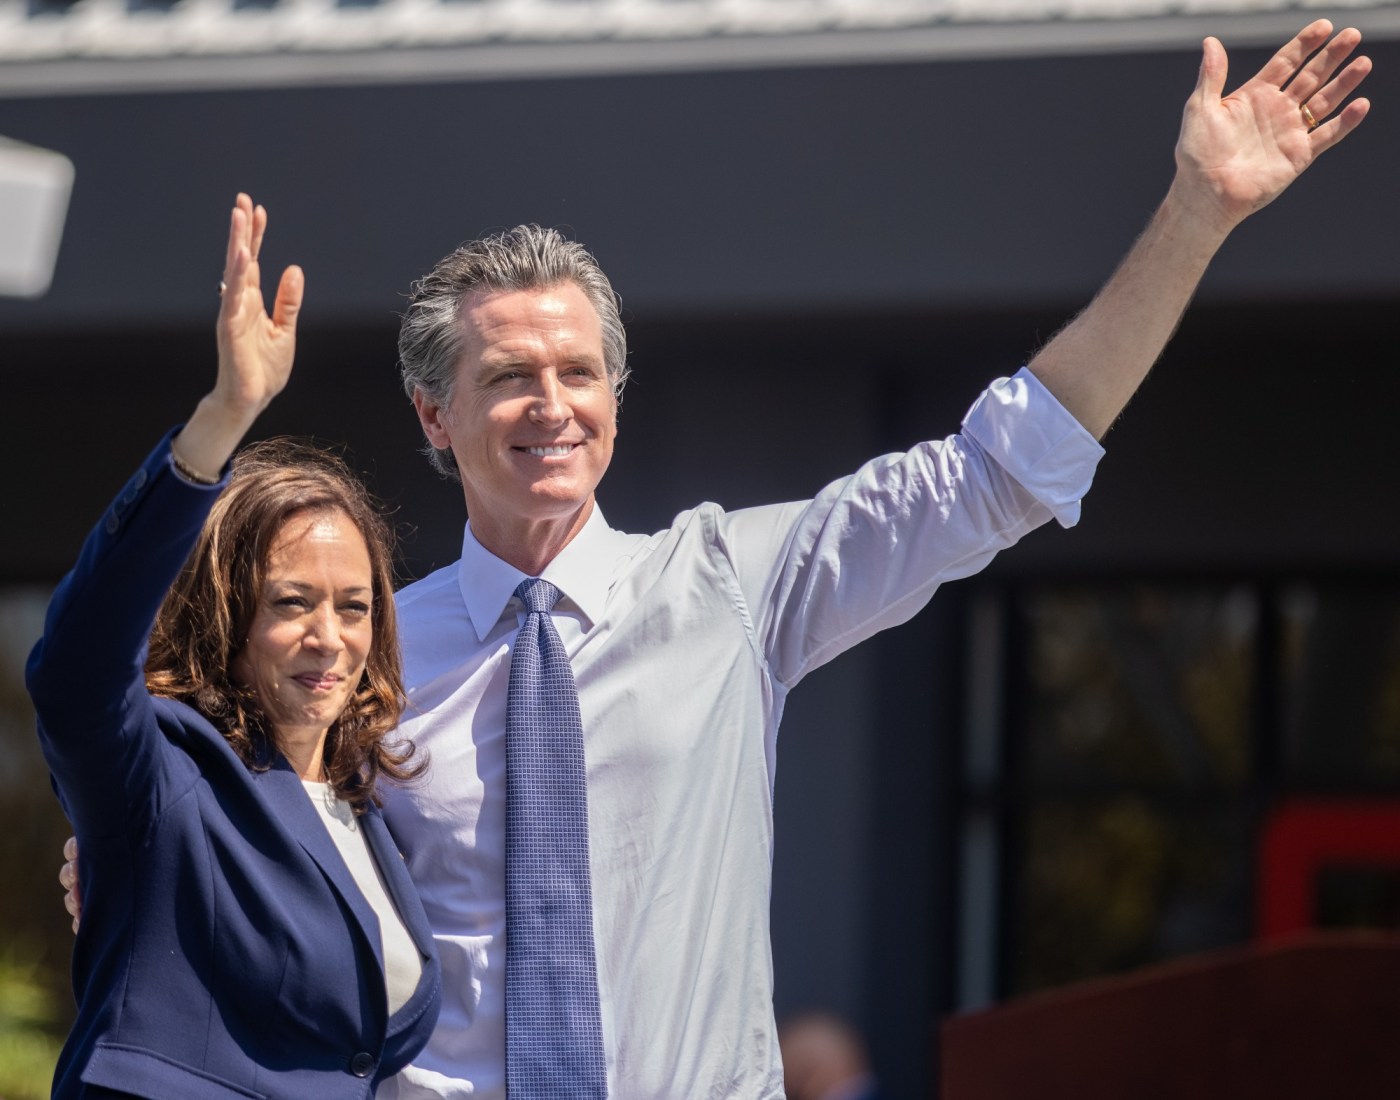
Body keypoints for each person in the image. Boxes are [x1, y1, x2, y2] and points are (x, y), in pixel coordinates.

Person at [62, 22, 1372, 1099]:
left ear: (616, 400)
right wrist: (125, 868)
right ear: (434, 415)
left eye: (580, 373)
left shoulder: (733, 586)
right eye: (508, 376)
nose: (551, 406)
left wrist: (1195, 216)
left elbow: (1002, 469)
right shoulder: (369, 653)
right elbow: (223, 824)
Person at [30, 195, 441, 1099]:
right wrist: (223, 416)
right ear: (228, 615)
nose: (330, 637)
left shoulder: (365, 810)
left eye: (355, 607)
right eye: (292, 602)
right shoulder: (166, 776)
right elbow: (77, 666)